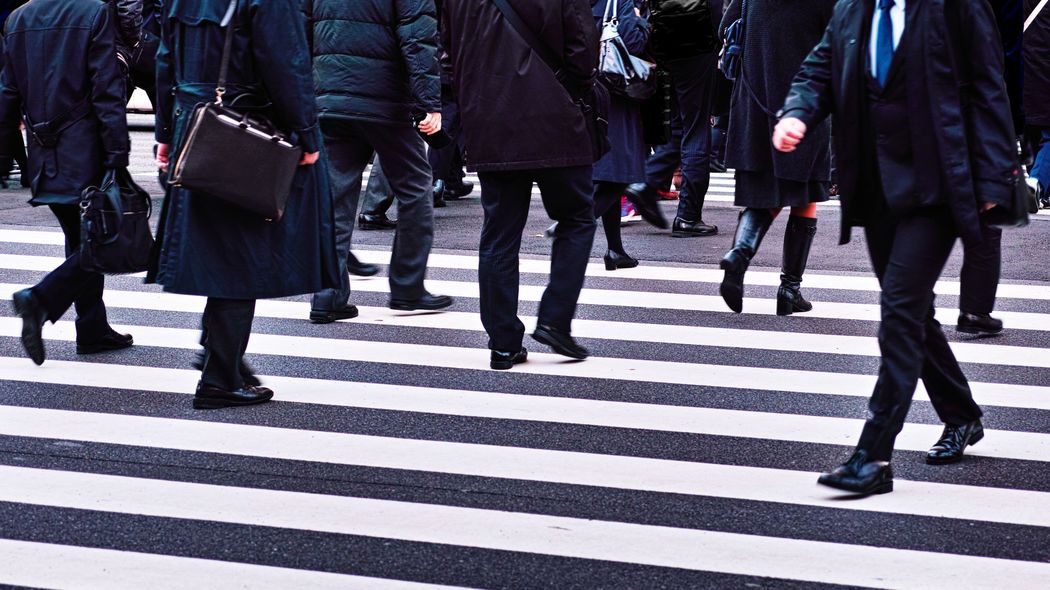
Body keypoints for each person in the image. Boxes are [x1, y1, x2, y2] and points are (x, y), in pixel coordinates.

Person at [774, 0, 1017, 495]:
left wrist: (994, 178)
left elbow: (989, 87)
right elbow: (818, 70)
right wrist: (796, 113)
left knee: (900, 312)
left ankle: (873, 456)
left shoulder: (958, 7)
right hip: (878, 187)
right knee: (912, 314)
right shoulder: (852, 9)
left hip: (940, 184)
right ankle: (961, 413)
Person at [152, 0, 340, 409]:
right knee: (240, 255)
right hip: (244, 130)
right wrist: (307, 134)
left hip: (196, 124)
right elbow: (286, 64)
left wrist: (165, 131)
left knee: (223, 249)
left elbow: (165, 59)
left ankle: (219, 356)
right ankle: (220, 377)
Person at [442, 0, 600, 370]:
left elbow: (445, 56)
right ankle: (555, 319)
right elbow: (582, 49)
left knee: (499, 231)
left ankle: (502, 343)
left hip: (488, 116)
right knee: (577, 217)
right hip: (555, 113)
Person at [2, 0, 134, 366]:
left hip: (43, 152)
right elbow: (106, 89)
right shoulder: (94, 13)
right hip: (85, 147)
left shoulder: (19, 18)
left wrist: (3, 156)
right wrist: (117, 152)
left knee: (81, 236)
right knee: (101, 237)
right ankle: (41, 298)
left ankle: (92, 328)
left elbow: (8, 93)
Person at [304, 0, 452, 325]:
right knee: (415, 187)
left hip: (329, 94)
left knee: (335, 198)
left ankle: (327, 295)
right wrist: (428, 103)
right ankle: (408, 287)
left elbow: (301, 31)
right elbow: (418, 40)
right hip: (385, 100)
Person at [716, 0, 835, 316]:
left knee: (762, 190)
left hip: (754, 100)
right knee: (805, 192)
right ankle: (789, 289)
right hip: (803, 103)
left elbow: (725, 27)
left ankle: (740, 253)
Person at [624, 0, 722, 237]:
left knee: (679, 123)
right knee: (696, 126)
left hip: (664, 36)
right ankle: (688, 215)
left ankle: (647, 182)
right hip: (698, 37)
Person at [955, 0, 1022, 337]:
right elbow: (1005, 61)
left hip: (923, 120)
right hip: (975, 111)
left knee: (922, 217)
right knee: (986, 215)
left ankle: (916, 306)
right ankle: (975, 310)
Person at [591, 0, 651, 270]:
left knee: (608, 173)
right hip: (616, 92)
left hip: (586, 89)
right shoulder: (621, 2)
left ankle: (615, 248)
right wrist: (641, 21)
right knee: (620, 171)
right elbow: (633, 42)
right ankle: (572, 224)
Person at [1026, 0, 1050, 210]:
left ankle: (1039, 192)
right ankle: (1036, 183)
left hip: (1022, 76)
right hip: (1044, 74)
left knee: (1032, 131)